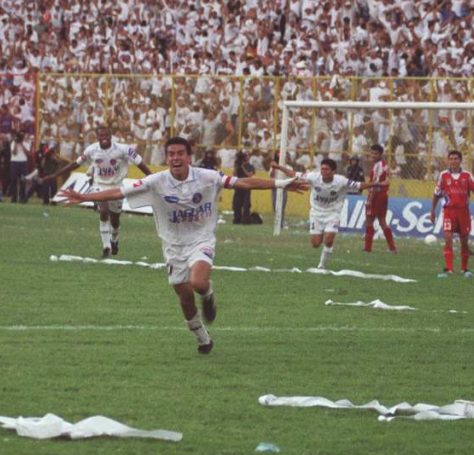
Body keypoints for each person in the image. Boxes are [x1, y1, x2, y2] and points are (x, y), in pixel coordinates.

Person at [58, 136, 305, 354]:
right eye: (171, 154)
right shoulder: (156, 181)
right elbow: (118, 192)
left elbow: (243, 182)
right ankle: (203, 338)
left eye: (180, 153)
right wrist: (85, 196)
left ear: (189, 157)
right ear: (167, 158)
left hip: (201, 239)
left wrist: (281, 184)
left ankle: (207, 295)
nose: (175, 158)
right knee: (185, 298)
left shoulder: (207, 177)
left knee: (198, 283)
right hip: (173, 245)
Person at [42, 124, 153, 257]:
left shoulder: (123, 149)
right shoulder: (91, 150)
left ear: (110, 136)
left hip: (117, 186)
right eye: (101, 135)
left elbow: (139, 162)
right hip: (99, 184)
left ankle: (115, 240)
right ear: (97, 137)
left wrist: (152, 178)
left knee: (115, 219)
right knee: (104, 210)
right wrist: (56, 175)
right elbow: (75, 164)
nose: (104, 138)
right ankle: (106, 247)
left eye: (106, 135)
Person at [273, 158, 361, 269]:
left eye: (326, 169)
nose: (323, 171)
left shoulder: (341, 181)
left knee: (329, 239)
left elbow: (359, 185)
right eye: (322, 169)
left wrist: (378, 185)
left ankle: (322, 265)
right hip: (316, 213)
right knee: (315, 244)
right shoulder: (314, 177)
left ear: (333, 171)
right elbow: (294, 174)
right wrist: (279, 167)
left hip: (333, 213)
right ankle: (324, 239)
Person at [430, 149, 474, 278]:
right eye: (451, 159)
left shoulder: (467, 175)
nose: (454, 161)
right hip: (449, 211)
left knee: (464, 241)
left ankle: (464, 269)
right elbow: (436, 194)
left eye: (456, 159)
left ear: (460, 161)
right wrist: (432, 211)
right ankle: (449, 269)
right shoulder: (443, 175)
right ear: (448, 161)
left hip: (463, 212)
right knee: (448, 238)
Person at [362, 143, 397, 253]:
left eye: (375, 153)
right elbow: (385, 181)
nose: (373, 155)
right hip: (383, 195)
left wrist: (369, 199)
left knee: (369, 220)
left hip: (376, 195)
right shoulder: (384, 164)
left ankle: (367, 248)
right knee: (382, 221)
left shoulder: (378, 166)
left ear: (380, 154)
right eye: (371, 153)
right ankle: (392, 248)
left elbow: (375, 183)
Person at [232, 151, 255, 225]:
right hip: (238, 186)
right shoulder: (238, 165)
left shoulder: (250, 166)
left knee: (246, 204)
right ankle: (237, 218)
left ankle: (246, 219)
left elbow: (249, 175)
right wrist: (237, 167)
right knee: (236, 204)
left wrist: (243, 167)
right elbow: (234, 175)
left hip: (246, 186)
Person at [8, 131, 31, 203]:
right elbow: (14, 153)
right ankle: (14, 198)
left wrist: (21, 144)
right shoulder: (13, 143)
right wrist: (16, 143)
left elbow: (28, 153)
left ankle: (22, 198)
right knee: (13, 181)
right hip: (14, 162)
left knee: (23, 181)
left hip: (23, 162)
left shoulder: (26, 143)